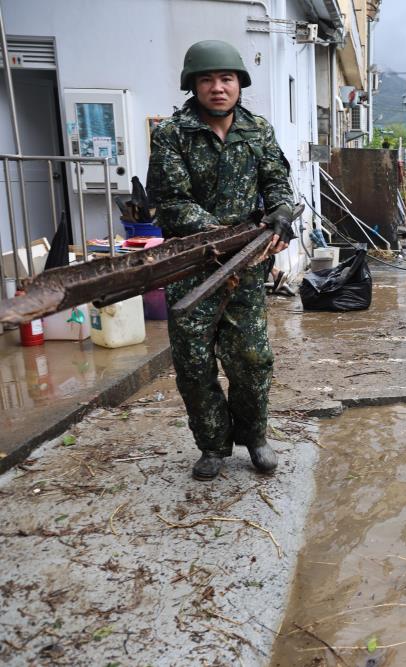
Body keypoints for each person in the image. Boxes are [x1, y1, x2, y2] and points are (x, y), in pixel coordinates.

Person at [147, 40, 295, 481]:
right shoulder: (173, 135)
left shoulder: (258, 130)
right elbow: (171, 202)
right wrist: (225, 235)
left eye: (226, 79)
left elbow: (278, 183)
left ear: (239, 84)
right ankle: (212, 446)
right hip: (191, 267)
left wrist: (282, 215)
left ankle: (255, 438)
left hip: (247, 268)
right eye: (207, 79)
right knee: (194, 363)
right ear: (193, 85)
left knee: (251, 358)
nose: (217, 88)